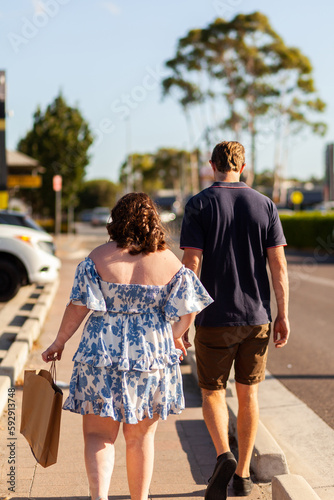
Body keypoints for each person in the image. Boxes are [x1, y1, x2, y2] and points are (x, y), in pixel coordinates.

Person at [42, 192, 213, 500]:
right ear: (154, 222)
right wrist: (173, 334)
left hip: (101, 353)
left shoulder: (98, 257)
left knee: (97, 435)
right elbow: (191, 307)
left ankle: (100, 497)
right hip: (151, 353)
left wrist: (59, 342)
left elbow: (78, 306)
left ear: (116, 220)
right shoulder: (169, 261)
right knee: (141, 438)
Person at [180, 141, 290, 499]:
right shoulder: (265, 205)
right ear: (243, 166)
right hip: (257, 317)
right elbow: (278, 266)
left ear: (211, 165)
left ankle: (223, 455)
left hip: (213, 318)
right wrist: (282, 314)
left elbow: (192, 265)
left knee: (213, 391)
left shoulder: (198, 204)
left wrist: (184, 319)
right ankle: (242, 474)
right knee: (249, 393)